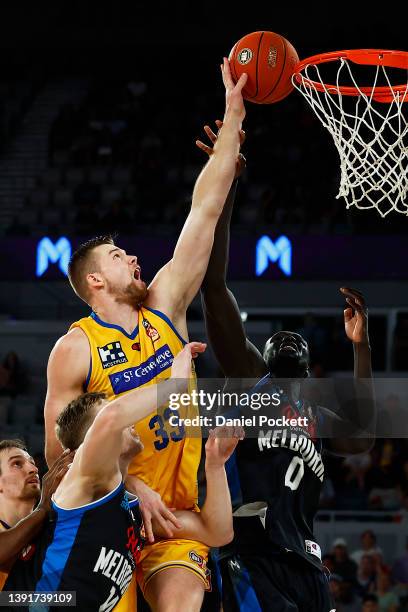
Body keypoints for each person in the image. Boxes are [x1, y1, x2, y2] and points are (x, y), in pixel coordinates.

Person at [44, 59, 248, 611]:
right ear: (93, 279)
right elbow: (57, 456)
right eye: (117, 255)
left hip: (179, 522)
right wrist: (131, 485)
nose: (132, 256)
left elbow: (203, 212)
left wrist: (232, 115)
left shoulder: (164, 304)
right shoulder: (75, 347)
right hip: (111, 513)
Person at [198, 121, 374, 611]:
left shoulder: (316, 413)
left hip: (307, 561)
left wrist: (360, 347)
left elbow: (363, 437)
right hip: (251, 551)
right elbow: (214, 284)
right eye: (279, 338)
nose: (290, 341)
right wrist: (228, 183)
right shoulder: (253, 377)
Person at [6, 343, 242, 611]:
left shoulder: (133, 510)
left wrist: (214, 465)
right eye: (111, 409)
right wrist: (176, 385)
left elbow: (218, 531)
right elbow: (112, 416)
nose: (132, 419)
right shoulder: (83, 482)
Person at [0, 440, 73, 589]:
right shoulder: (45, 513)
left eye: (32, 463)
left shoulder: (52, 527)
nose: (33, 468)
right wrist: (43, 508)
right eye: (17, 464)